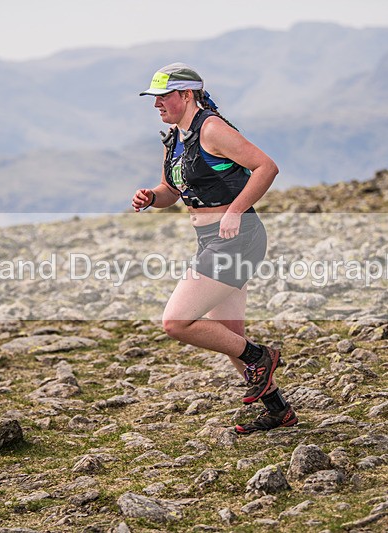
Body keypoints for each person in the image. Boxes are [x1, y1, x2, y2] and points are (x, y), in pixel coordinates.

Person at [131, 63, 297, 434]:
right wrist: (150, 196)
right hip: (212, 240)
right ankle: (278, 410)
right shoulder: (175, 136)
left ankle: (261, 356)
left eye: (164, 96)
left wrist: (236, 210)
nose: (156, 103)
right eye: (153, 97)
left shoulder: (212, 129)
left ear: (187, 95)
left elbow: (266, 167)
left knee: (176, 322)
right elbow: (171, 192)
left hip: (238, 238)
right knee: (228, 333)